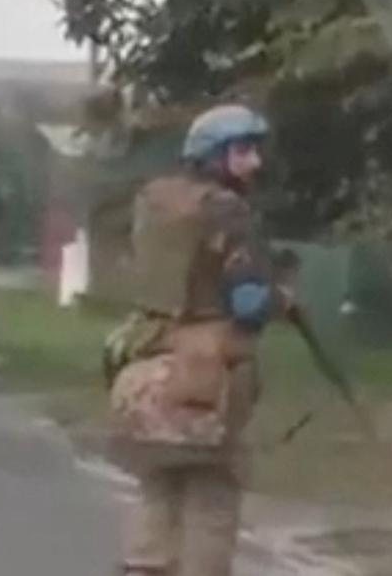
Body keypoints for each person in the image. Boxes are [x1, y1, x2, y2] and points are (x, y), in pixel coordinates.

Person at [107, 104, 299, 576]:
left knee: (156, 486)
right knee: (212, 498)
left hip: (141, 374)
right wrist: (283, 297)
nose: (254, 163)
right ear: (215, 156)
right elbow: (248, 303)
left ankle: (143, 567)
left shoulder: (154, 205)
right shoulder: (229, 213)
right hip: (202, 385)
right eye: (243, 151)